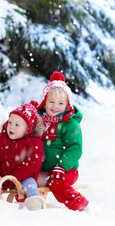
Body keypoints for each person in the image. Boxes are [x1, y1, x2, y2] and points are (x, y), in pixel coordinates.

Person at [36, 71, 89, 211]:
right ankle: (29, 203)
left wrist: (62, 165)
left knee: (56, 182)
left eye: (60, 103)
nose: (55, 106)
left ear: (67, 105)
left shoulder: (69, 124)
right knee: (27, 180)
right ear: (44, 102)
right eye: (51, 102)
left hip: (65, 169)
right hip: (44, 169)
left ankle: (79, 204)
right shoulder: (39, 120)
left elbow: (75, 147)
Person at [0, 101, 46, 211]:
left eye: (17, 125)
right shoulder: (2, 138)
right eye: (10, 122)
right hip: (2, 177)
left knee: (30, 184)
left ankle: (35, 204)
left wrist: (16, 177)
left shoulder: (34, 143)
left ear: (28, 129)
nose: (11, 127)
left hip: (23, 178)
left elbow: (34, 162)